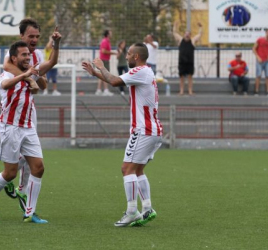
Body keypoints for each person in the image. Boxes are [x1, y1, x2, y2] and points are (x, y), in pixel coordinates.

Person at [82, 43, 162, 227]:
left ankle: (132, 212)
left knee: (127, 169)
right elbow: (114, 79)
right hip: (153, 130)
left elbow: (114, 81)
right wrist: (96, 74)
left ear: (136, 57)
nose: (125, 56)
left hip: (144, 130)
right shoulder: (145, 72)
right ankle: (147, 208)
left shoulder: (141, 71)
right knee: (138, 170)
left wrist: (101, 67)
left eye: (128, 54)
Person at [0, 41, 51, 223]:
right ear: (13, 58)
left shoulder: (30, 75)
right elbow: (5, 85)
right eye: (23, 55)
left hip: (28, 127)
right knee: (10, 173)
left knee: (38, 167)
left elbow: (42, 86)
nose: (27, 57)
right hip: (10, 127)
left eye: (28, 54)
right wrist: (26, 75)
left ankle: (30, 212)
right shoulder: (8, 74)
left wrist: (35, 76)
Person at [0, 19, 61, 220]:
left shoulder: (39, 55)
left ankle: (23, 194)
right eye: (30, 36)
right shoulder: (15, 53)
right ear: (21, 37)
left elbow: (42, 81)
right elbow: (6, 65)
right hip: (13, 115)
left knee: (33, 161)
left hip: (29, 113)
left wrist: (37, 79)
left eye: (37, 37)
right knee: (17, 165)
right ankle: (10, 187)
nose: (34, 40)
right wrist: (28, 77)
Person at [173, 21, 203, 95]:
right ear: (184, 35)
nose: (187, 35)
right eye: (186, 34)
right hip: (182, 62)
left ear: (190, 35)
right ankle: (181, 91)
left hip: (190, 62)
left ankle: (190, 91)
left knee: (190, 77)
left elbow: (199, 34)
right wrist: (175, 25)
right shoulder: (180, 40)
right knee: (181, 77)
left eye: (188, 34)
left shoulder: (192, 41)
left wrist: (200, 27)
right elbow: (174, 33)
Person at [252, 27, 268, 96]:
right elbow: (254, 49)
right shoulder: (260, 40)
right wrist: (258, 57)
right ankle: (256, 91)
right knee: (258, 75)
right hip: (260, 61)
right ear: (266, 32)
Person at [96, 30, 115, 96]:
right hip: (104, 60)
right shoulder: (105, 41)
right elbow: (103, 51)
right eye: (110, 33)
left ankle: (99, 90)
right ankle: (105, 90)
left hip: (104, 60)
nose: (111, 34)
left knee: (102, 75)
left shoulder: (107, 41)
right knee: (106, 75)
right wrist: (113, 53)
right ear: (107, 34)